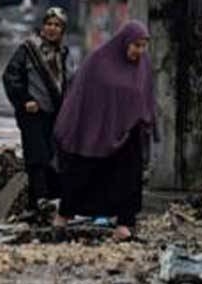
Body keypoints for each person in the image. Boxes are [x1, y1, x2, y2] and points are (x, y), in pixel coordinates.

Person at [52, 21, 156, 241]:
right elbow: (82, 94)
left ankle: (124, 225)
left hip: (129, 132)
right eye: (136, 45)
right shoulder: (99, 61)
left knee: (128, 179)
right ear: (124, 42)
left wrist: (144, 120)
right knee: (82, 172)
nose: (139, 51)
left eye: (143, 46)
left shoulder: (143, 64)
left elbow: (146, 93)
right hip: (95, 131)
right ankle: (62, 218)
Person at [2, 7, 70, 217]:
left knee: (54, 155)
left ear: (62, 30)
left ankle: (48, 201)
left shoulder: (63, 53)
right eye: (49, 24)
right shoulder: (28, 49)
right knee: (36, 156)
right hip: (32, 113)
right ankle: (38, 201)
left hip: (54, 113)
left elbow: (66, 82)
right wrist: (25, 101)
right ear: (42, 27)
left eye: (57, 25)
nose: (52, 29)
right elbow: (10, 76)